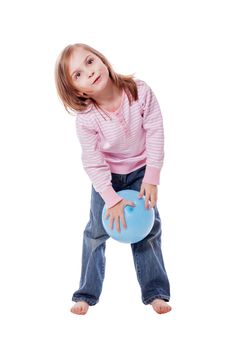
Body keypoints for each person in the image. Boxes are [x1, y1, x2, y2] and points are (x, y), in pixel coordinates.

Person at [54, 43, 172, 315]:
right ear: (77, 91)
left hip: (141, 174)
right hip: (107, 179)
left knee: (149, 231)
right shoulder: (86, 119)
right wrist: (110, 198)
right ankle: (85, 294)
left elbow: (155, 131)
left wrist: (151, 177)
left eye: (90, 61)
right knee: (95, 233)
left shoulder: (138, 91)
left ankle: (156, 293)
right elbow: (93, 162)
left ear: (102, 60)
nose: (89, 72)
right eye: (78, 74)